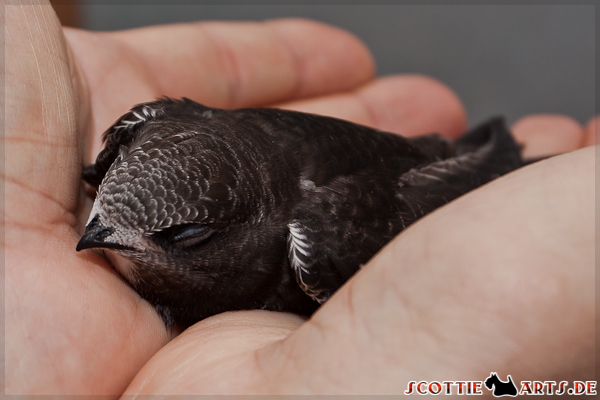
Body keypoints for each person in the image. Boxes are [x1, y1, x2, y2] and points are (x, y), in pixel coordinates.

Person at [5, 3, 595, 395]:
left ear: (229, 233)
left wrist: (487, 163)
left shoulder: (318, 229)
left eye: (180, 238)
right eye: (105, 197)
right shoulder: (146, 128)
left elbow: (411, 187)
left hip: (394, 171)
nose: (98, 232)